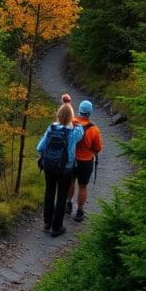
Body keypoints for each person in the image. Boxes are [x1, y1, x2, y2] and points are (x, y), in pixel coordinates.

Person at [37, 103, 83, 237]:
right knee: (62, 196)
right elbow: (80, 127)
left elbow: (39, 148)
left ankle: (47, 222)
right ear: (71, 116)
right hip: (65, 168)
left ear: (58, 114)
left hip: (49, 166)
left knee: (49, 193)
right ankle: (57, 227)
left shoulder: (51, 128)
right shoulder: (74, 131)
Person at [66, 99, 103, 222]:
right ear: (90, 113)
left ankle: (68, 204)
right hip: (86, 161)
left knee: (70, 182)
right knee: (83, 186)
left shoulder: (71, 124)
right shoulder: (94, 129)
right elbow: (98, 148)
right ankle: (79, 211)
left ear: (79, 111)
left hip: (71, 159)